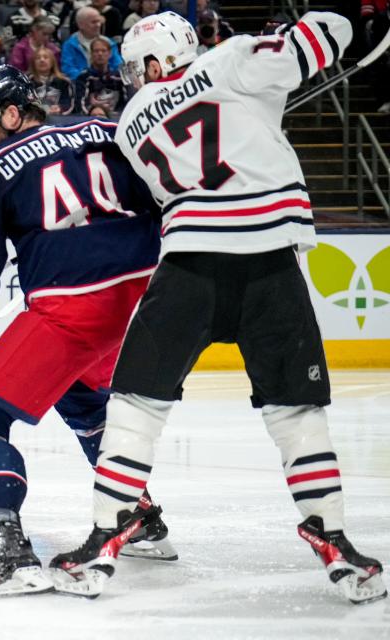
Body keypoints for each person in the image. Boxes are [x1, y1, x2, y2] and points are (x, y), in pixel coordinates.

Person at [48, 12, 388, 606]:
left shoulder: (131, 123)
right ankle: (330, 535)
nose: (135, 77)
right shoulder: (231, 59)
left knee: (134, 405)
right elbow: (325, 35)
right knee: (297, 412)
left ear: (154, 63)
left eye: (138, 66)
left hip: (188, 269)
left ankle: (107, 530)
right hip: (269, 267)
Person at [0, 65, 166, 597]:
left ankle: (7, 546)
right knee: (83, 399)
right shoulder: (108, 132)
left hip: (76, 305)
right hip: (150, 297)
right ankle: (140, 517)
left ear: (13, 113)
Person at [62, 7, 123, 81]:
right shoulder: (70, 45)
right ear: (80, 25)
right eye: (93, 22)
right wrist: (86, 78)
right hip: (80, 84)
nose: (98, 25)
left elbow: (118, 66)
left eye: (99, 21)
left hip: (108, 83)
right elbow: (68, 69)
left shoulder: (109, 42)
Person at [73, 36, 127, 117]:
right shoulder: (83, 78)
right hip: (91, 119)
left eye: (103, 51)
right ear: (91, 54)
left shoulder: (119, 77)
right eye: (96, 51)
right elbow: (80, 105)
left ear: (109, 54)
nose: (100, 54)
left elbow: (126, 102)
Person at [27, 46, 74, 114]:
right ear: (33, 63)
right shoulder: (27, 82)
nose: (42, 60)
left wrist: (60, 108)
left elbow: (68, 104)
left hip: (59, 119)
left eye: (46, 57)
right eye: (38, 58)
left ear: (52, 62)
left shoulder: (64, 81)